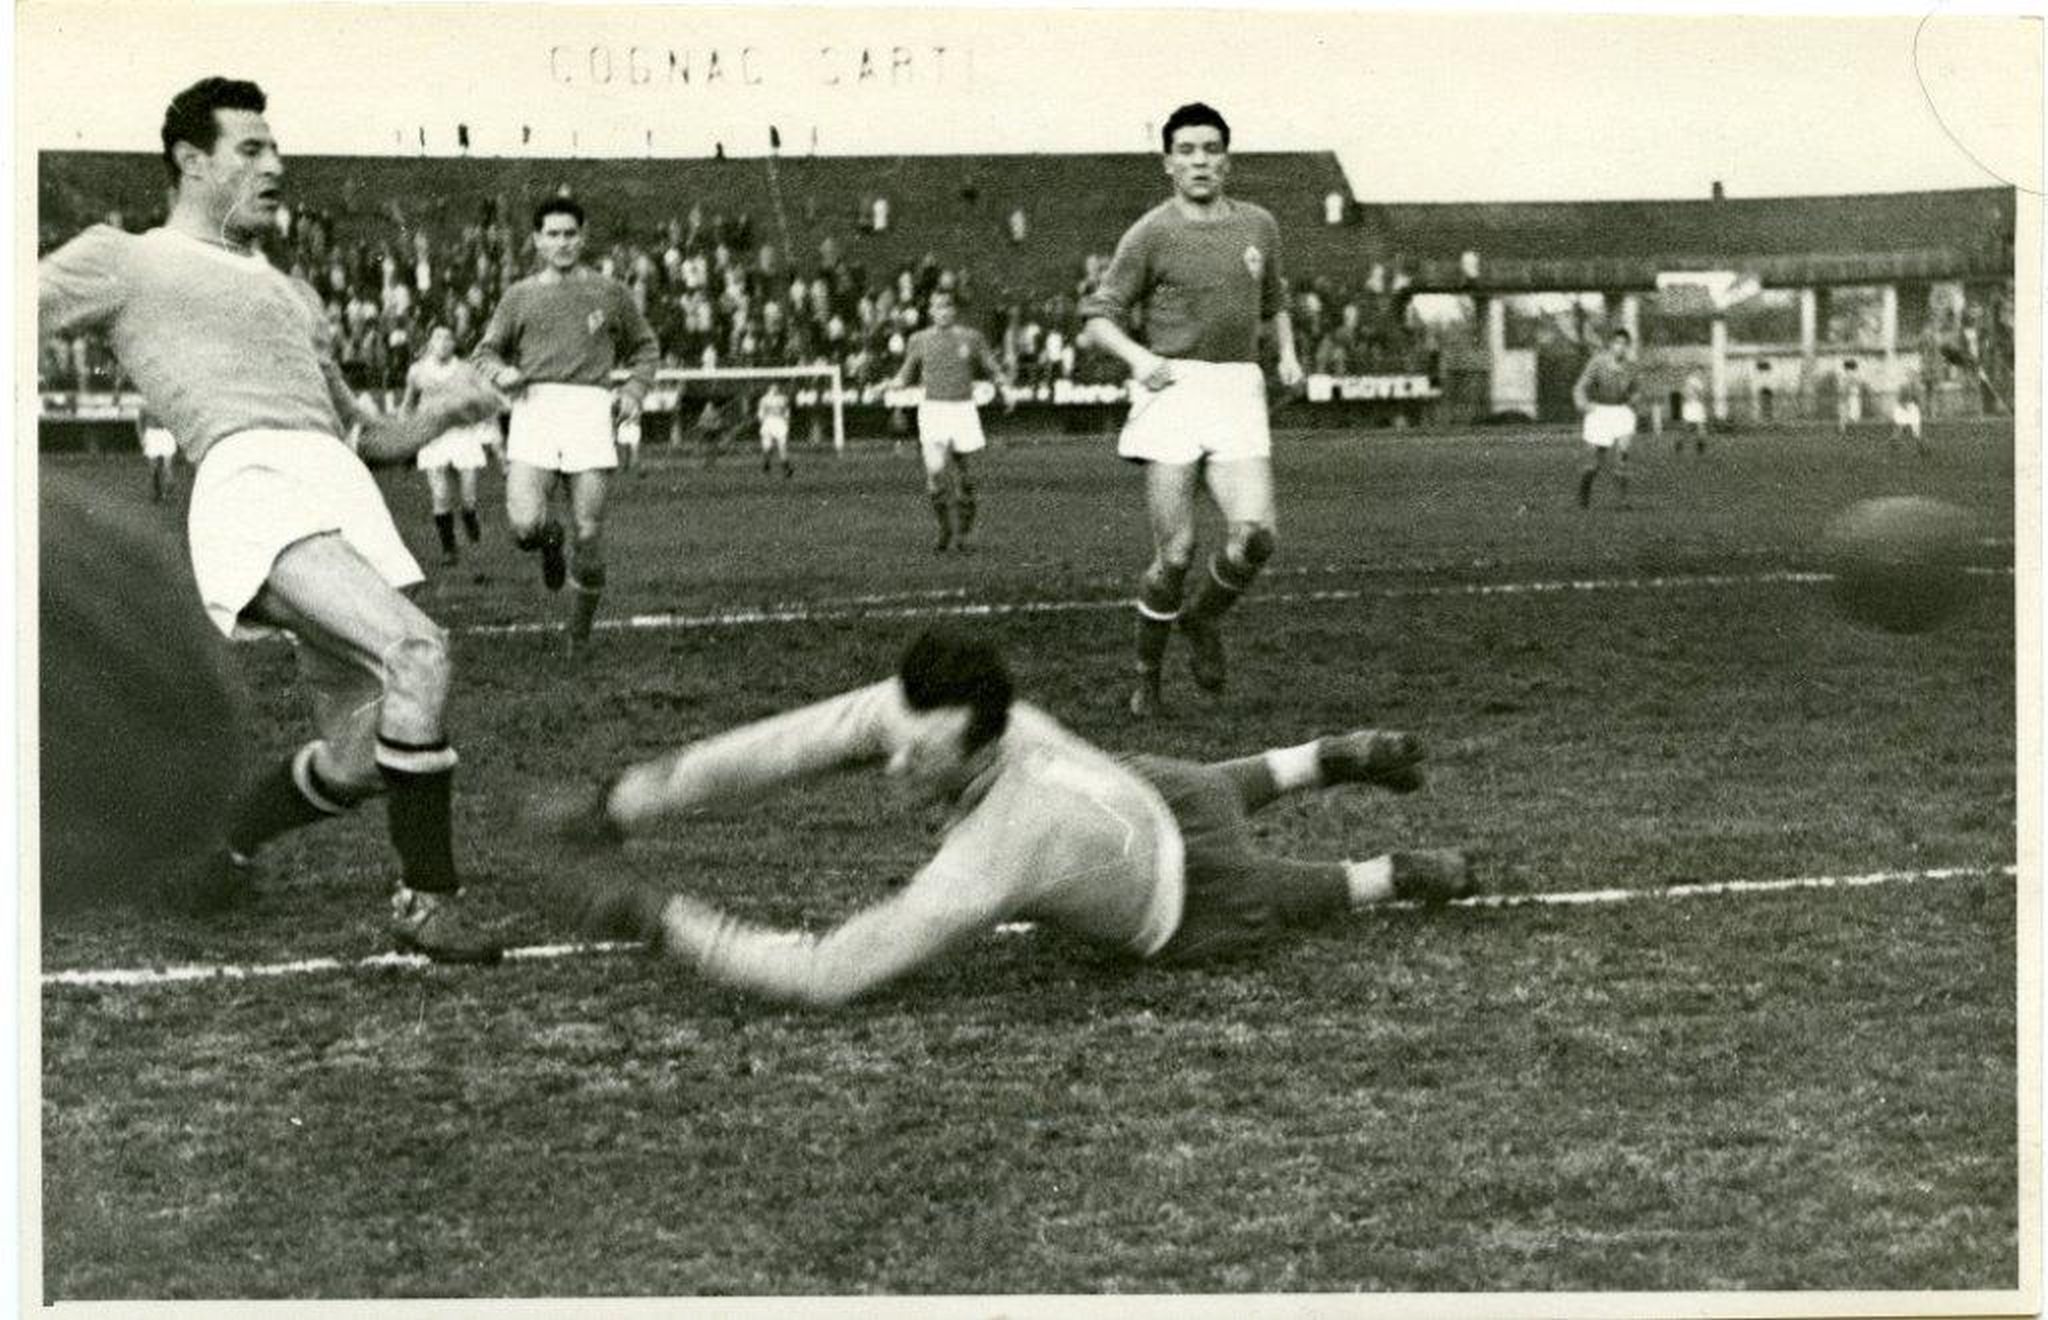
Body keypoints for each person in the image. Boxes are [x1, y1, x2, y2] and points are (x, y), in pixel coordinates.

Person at [37, 76, 505, 960]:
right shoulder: (124, 259)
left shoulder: (293, 295)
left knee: (363, 756)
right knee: (418, 652)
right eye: (250, 150)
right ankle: (427, 901)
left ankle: (220, 845)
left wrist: (445, 411)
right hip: (253, 484)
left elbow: (368, 437)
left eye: (275, 149)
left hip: (337, 489)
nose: (275, 166)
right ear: (192, 161)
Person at [527, 628, 1474, 1008]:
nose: (892, 762)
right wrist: (624, 800)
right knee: (1199, 787)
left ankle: (1390, 873)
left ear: (982, 747)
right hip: (1146, 790)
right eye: (896, 740)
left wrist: (660, 917)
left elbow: (829, 971)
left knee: (1302, 891)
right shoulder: (950, 709)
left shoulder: (996, 853)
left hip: (1185, 900)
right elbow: (781, 747)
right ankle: (1324, 757)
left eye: (920, 757)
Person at [1078, 101, 1303, 718]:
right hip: (1173, 389)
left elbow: (1276, 300)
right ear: (1168, 163)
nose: (1200, 161)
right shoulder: (1150, 232)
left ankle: (1202, 619)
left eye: (1211, 149)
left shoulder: (1259, 225)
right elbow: (1098, 318)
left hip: (1237, 389)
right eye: (1187, 151)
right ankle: (1147, 678)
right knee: (1175, 555)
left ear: (1227, 160)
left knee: (1256, 537)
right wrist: (1137, 358)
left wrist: (1287, 353)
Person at [473, 196, 660, 656]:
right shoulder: (519, 296)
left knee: (590, 533)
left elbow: (645, 347)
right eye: (553, 234)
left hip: (589, 410)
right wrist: (502, 373)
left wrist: (633, 392)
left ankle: (578, 634)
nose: (562, 242)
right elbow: (485, 352)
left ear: (583, 237)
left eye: (570, 234)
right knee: (524, 526)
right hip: (534, 409)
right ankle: (548, 539)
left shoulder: (609, 292)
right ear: (537, 240)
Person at [887, 289, 1013, 553]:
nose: (942, 311)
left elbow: (991, 366)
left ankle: (963, 535)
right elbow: (906, 373)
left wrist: (1006, 387)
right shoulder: (919, 339)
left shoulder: (972, 337)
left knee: (965, 475)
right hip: (933, 410)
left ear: (954, 310)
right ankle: (944, 528)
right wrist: (892, 384)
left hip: (963, 410)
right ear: (930, 311)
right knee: (934, 470)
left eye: (947, 306)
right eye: (937, 306)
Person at [401, 325, 491, 566]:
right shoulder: (417, 371)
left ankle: (474, 539)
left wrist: (486, 430)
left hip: (462, 435)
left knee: (469, 498)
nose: (442, 342)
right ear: (430, 343)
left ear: (454, 343)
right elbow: (407, 405)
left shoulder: (466, 370)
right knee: (440, 496)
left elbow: (483, 400)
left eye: (448, 338)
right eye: (437, 337)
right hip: (433, 437)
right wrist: (405, 438)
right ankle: (449, 551)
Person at [1573, 328, 1638, 509]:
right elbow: (1580, 387)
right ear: (1611, 344)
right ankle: (1584, 492)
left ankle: (1622, 501)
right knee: (1593, 465)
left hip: (1621, 412)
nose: (1621, 347)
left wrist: (1634, 399)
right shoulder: (1598, 363)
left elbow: (1636, 390)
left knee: (1622, 456)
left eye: (1624, 344)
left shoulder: (1631, 367)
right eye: (1617, 343)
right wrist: (1584, 404)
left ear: (1628, 347)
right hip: (1600, 412)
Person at [136, 405, 178, 502]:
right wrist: (141, 438)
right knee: (153, 467)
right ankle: (157, 492)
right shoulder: (146, 405)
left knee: (168, 468)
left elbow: (177, 419)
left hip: (167, 434)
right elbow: (139, 422)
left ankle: (167, 493)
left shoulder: (169, 403)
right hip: (152, 435)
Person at [756, 381, 793, 478]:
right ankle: (766, 467)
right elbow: (760, 413)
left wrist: (786, 421)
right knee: (767, 448)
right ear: (769, 388)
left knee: (782, 446)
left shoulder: (783, 399)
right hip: (768, 423)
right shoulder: (764, 399)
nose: (775, 389)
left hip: (780, 423)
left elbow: (787, 412)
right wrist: (763, 422)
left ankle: (786, 468)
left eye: (776, 387)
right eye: (773, 387)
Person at [1677, 368, 1708, 454]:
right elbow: (1697, 394)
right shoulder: (1693, 381)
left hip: (1696, 405)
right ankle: (1681, 444)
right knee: (1689, 427)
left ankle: (1700, 446)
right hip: (1691, 405)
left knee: (1700, 426)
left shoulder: (1695, 381)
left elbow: (1701, 395)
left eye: (1701, 372)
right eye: (1698, 371)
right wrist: (1694, 396)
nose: (1700, 373)